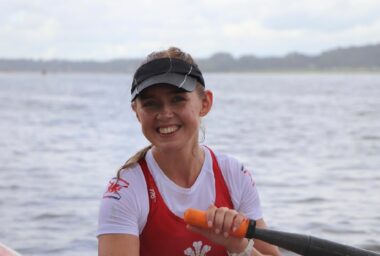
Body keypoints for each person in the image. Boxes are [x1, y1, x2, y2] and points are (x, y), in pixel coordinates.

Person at [97, 47, 281, 256]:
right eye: (150, 104)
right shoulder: (124, 192)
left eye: (178, 99)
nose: (165, 113)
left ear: (205, 103)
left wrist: (238, 247)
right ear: (136, 113)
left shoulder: (234, 175)